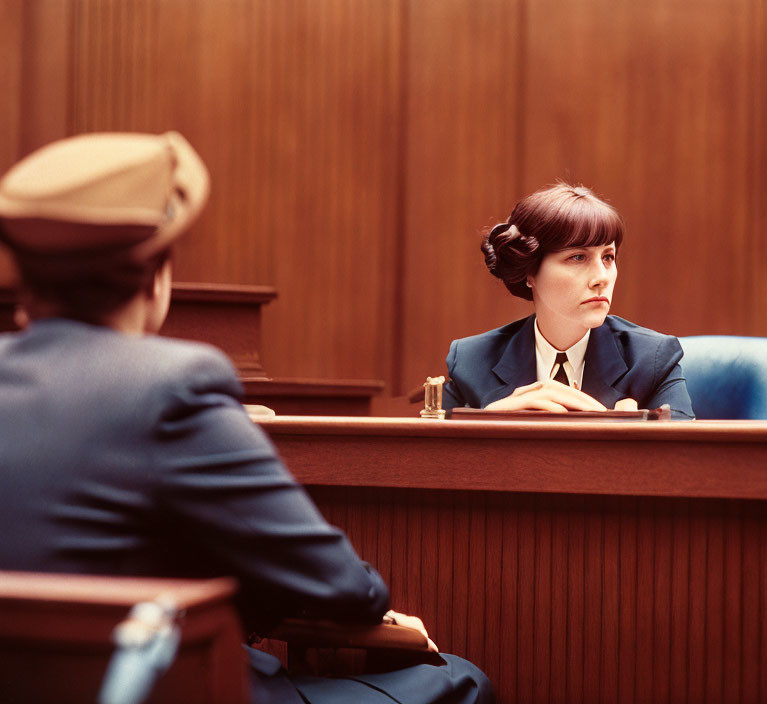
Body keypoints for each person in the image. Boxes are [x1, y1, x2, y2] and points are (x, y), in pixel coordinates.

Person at [0, 132, 492, 704]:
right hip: (171, 689)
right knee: (460, 682)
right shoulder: (172, 386)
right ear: (158, 272)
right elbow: (344, 588)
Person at [443, 183, 694, 420]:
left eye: (608, 257)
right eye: (577, 257)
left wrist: (619, 432)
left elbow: (683, 460)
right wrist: (490, 421)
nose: (601, 278)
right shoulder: (470, 361)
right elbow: (436, 461)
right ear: (530, 272)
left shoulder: (653, 359)